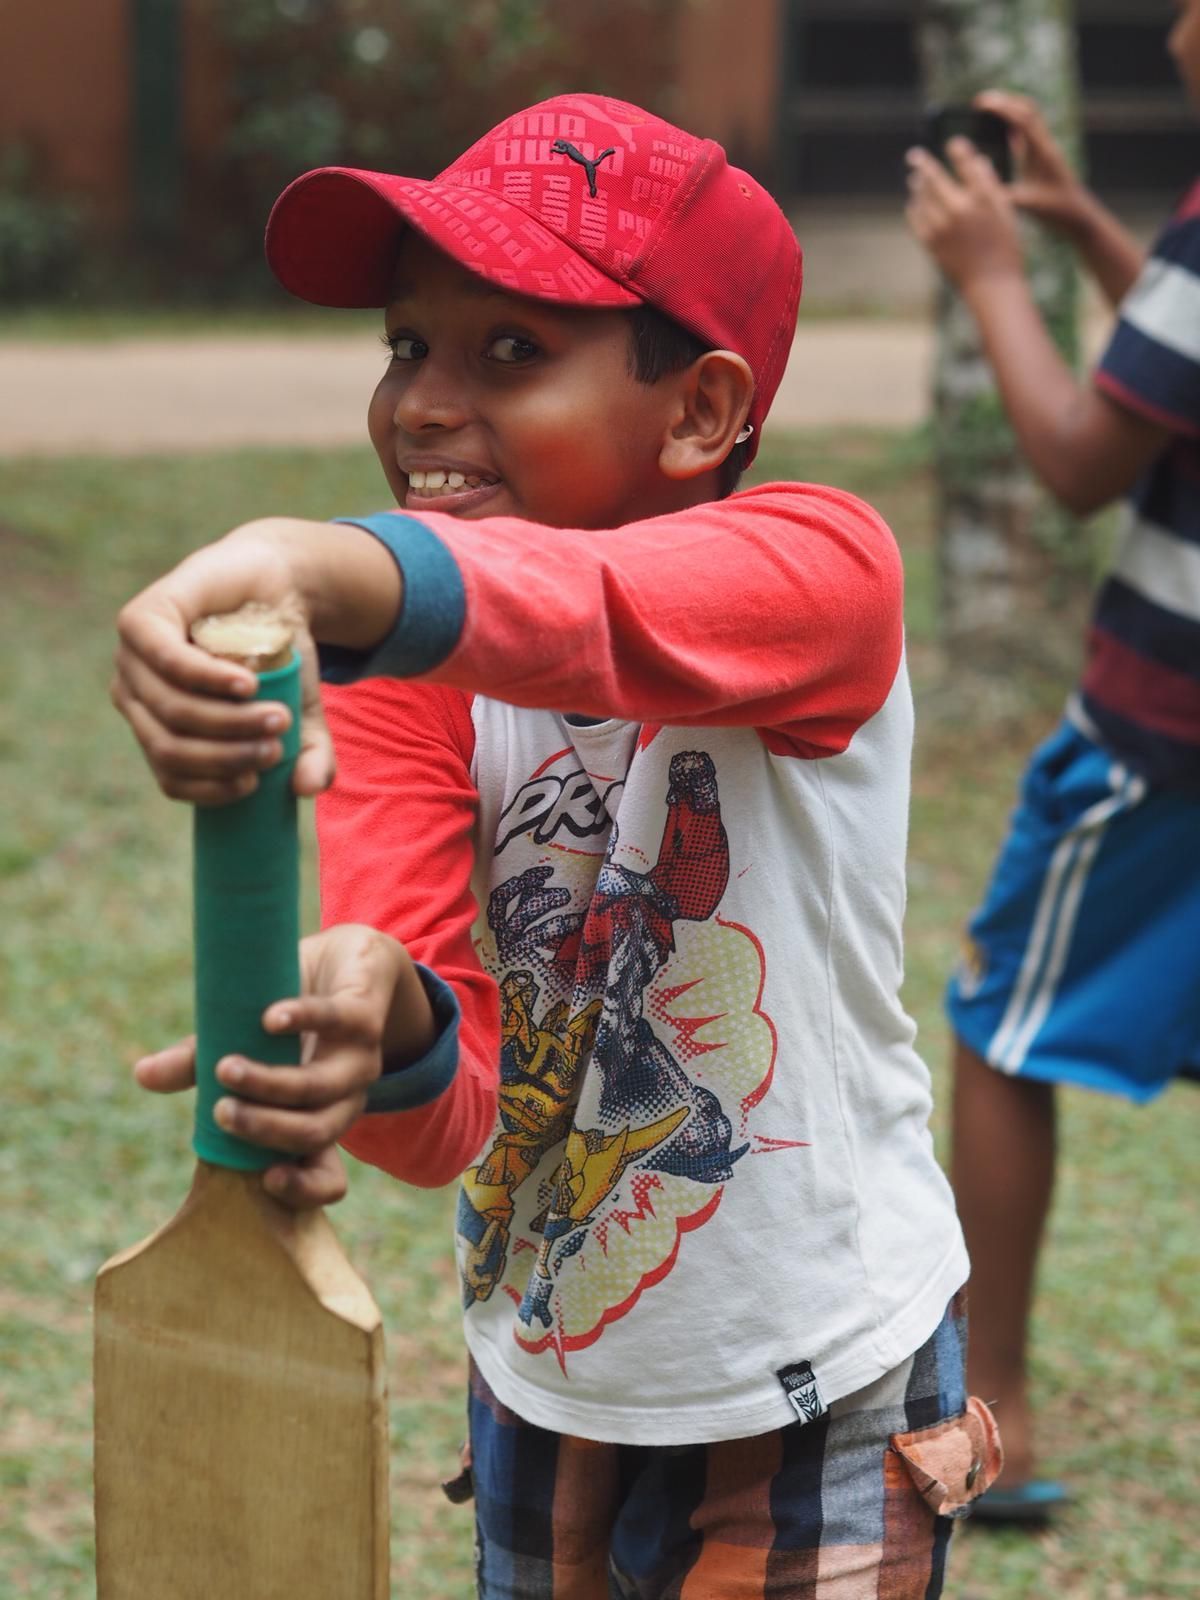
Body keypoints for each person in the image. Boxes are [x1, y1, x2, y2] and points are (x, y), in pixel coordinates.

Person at [113, 93, 1000, 1596]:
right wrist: (379, 1014)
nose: (420, 404)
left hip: (821, 1374)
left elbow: (582, 607)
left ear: (702, 412)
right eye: (407, 344)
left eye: (509, 350)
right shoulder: (403, 680)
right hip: (545, 1373)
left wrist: (311, 560)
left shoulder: (823, 573)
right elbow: (450, 1120)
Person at [904, 0, 1200, 1525]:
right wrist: (1085, 224)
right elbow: (1178, 373)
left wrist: (991, 274)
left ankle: (990, 1406)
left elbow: (1086, 458)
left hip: (1160, 739)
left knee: (1005, 1022)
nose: (1177, 27)